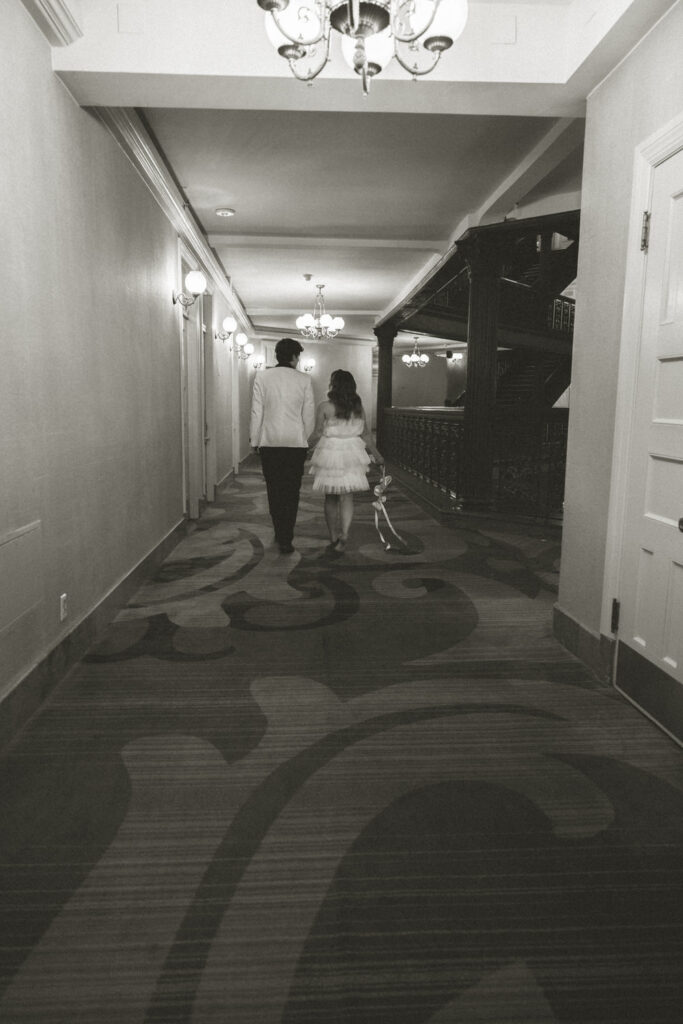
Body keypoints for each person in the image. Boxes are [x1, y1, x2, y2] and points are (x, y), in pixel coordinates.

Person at [250, 337, 315, 554]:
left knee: (274, 489)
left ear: (277, 356)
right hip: (296, 444)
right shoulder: (304, 380)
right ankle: (287, 536)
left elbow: (257, 412)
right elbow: (309, 416)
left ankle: (279, 531)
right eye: (298, 355)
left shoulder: (262, 376)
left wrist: (254, 440)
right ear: (295, 356)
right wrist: (302, 438)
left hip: (270, 442)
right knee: (292, 490)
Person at [308, 369, 384, 553]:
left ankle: (333, 536)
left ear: (333, 385)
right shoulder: (358, 407)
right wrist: (377, 454)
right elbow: (366, 434)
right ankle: (345, 533)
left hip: (330, 453)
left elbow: (318, 433)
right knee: (347, 496)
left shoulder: (325, 406)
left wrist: (304, 447)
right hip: (352, 453)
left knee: (331, 497)